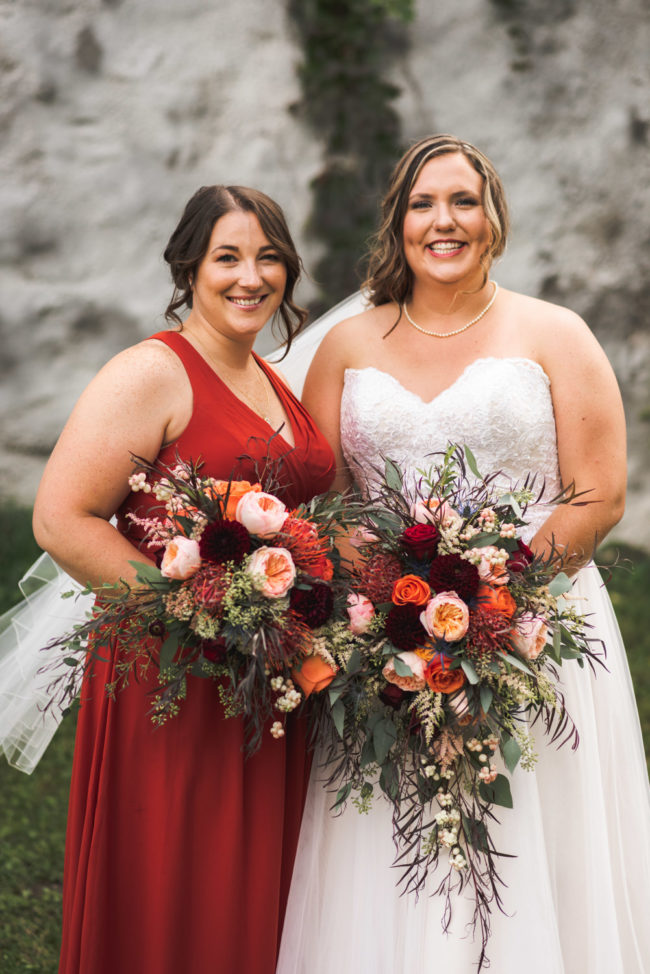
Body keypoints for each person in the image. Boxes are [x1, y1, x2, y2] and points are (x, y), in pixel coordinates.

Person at [275, 136, 650, 973]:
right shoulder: (346, 347)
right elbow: (326, 500)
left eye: (464, 201)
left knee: (534, 845)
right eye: (422, 203)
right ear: (397, 222)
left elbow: (599, 494)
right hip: (385, 641)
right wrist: (390, 611)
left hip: (537, 634)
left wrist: (493, 603)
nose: (444, 221)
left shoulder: (556, 333)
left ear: (494, 218)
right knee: (391, 848)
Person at [30, 185, 335, 974]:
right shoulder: (152, 373)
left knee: (256, 896)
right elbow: (63, 518)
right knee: (177, 886)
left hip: (268, 678)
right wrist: (201, 613)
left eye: (269, 257)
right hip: (176, 676)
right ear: (189, 267)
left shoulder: (271, 378)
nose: (251, 277)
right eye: (227, 256)